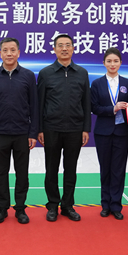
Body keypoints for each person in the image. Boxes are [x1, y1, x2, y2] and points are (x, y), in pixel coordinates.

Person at [0, 38, 38, 224]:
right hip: (0, 134)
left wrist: (33, 133)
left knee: (22, 173)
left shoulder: (28, 76)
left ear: (18, 53)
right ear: (0, 53)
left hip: (22, 133)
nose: (9, 53)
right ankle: (2, 208)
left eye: (13, 50)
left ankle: (20, 208)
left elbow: (34, 106)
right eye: (5, 50)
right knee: (1, 173)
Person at [37, 33, 91, 222]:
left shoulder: (82, 73)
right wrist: (40, 129)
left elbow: (86, 103)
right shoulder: (46, 73)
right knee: (51, 169)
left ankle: (68, 206)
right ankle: (52, 205)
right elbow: (40, 103)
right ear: (54, 49)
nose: (64, 48)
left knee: (71, 169)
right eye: (60, 45)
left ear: (73, 48)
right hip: (51, 128)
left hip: (75, 128)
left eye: (68, 45)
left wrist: (85, 128)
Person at [90, 48, 128, 220]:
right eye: (109, 61)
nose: (112, 64)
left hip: (122, 132)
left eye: (116, 61)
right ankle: (105, 204)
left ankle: (116, 205)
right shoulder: (97, 83)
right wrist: (112, 108)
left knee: (118, 170)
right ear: (104, 63)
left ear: (120, 63)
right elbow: (94, 107)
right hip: (103, 132)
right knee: (105, 169)